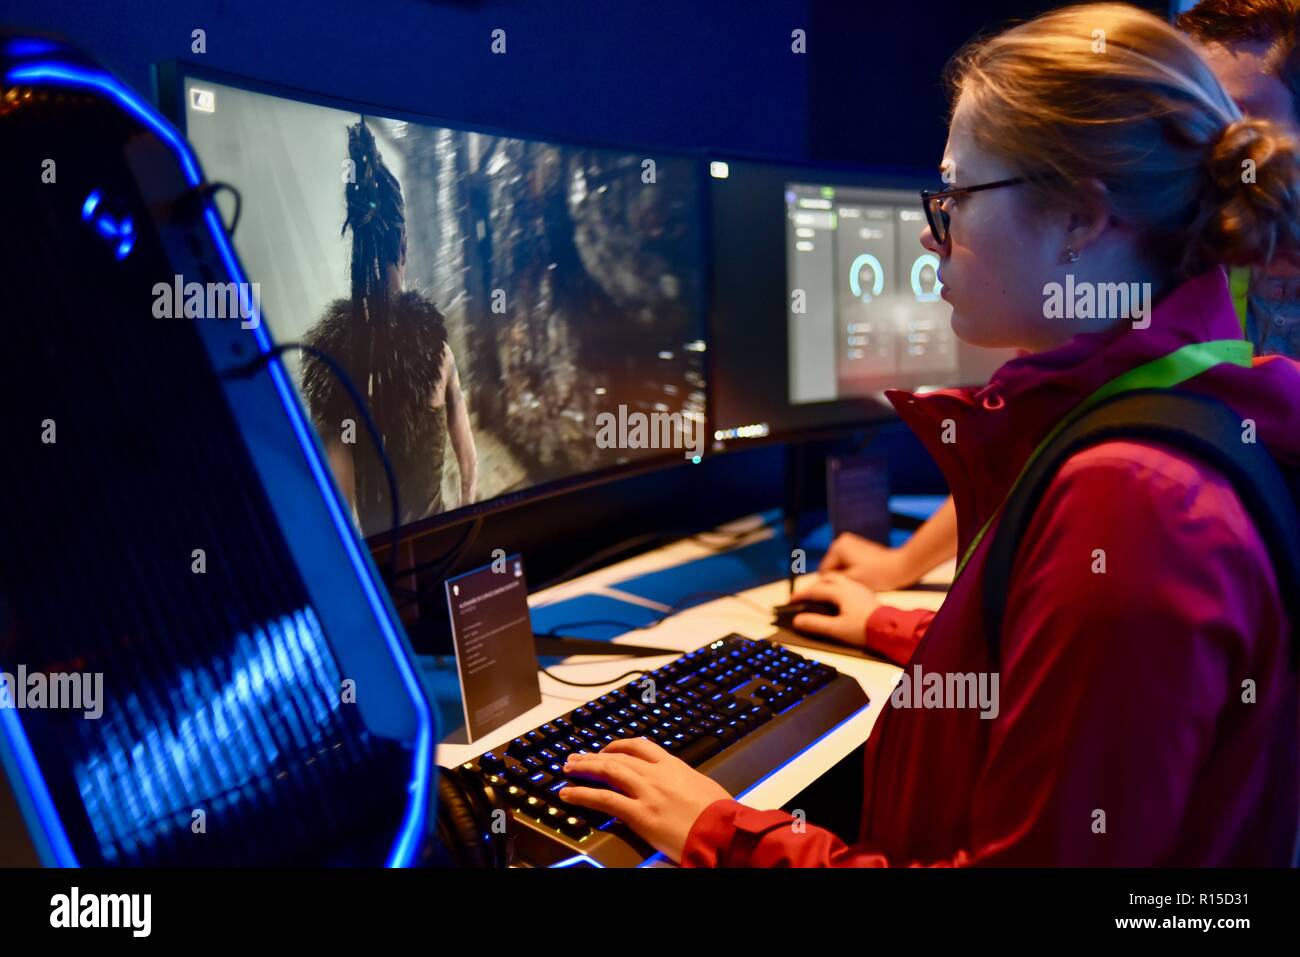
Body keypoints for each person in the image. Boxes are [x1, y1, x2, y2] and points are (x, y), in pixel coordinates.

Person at [558, 2, 1300, 866]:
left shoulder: (1134, 501)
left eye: (956, 193)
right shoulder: (1181, 410)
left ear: (1081, 221)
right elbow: (1079, 671)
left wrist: (726, 833)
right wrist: (895, 626)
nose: (928, 226)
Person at [814, 0, 1300, 629]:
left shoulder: (1135, 492)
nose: (1203, 153)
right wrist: (901, 577)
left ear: (1079, 216)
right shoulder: (1202, 303)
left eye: (1232, 124)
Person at [301, 119, 477, 537]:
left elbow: (342, 507)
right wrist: (466, 516)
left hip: (383, 566)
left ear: (357, 251)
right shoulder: (437, 353)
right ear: (404, 247)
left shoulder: (331, 367)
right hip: (438, 546)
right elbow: (467, 459)